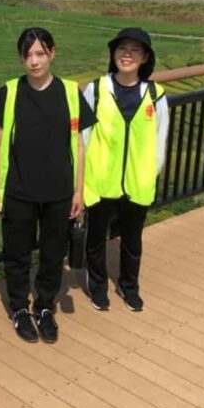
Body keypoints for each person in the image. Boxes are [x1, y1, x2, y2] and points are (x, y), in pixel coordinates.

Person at [0, 27, 94, 344]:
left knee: (52, 254)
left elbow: (78, 144)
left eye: (40, 53)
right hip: (18, 190)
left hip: (59, 191)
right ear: (21, 58)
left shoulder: (70, 92)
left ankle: (45, 307)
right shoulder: (9, 92)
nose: (34, 61)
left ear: (52, 53)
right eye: (28, 55)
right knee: (17, 254)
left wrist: (79, 190)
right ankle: (20, 309)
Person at [81, 27, 170, 312]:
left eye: (134, 50)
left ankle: (129, 287)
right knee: (96, 237)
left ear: (145, 58)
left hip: (137, 181)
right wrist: (84, 176)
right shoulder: (96, 89)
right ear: (113, 54)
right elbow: (84, 137)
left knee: (132, 240)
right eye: (122, 49)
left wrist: (150, 173)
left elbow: (160, 139)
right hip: (100, 178)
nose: (127, 54)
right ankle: (97, 288)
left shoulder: (155, 94)